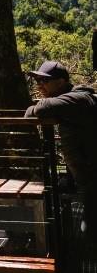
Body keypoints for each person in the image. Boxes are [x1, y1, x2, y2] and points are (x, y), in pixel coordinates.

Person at [24, 61, 97, 248]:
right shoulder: (73, 101)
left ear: (63, 81)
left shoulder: (77, 99)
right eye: (37, 80)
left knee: (88, 231)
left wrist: (38, 105)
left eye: (45, 80)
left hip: (91, 177)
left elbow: (36, 112)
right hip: (87, 177)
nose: (40, 84)